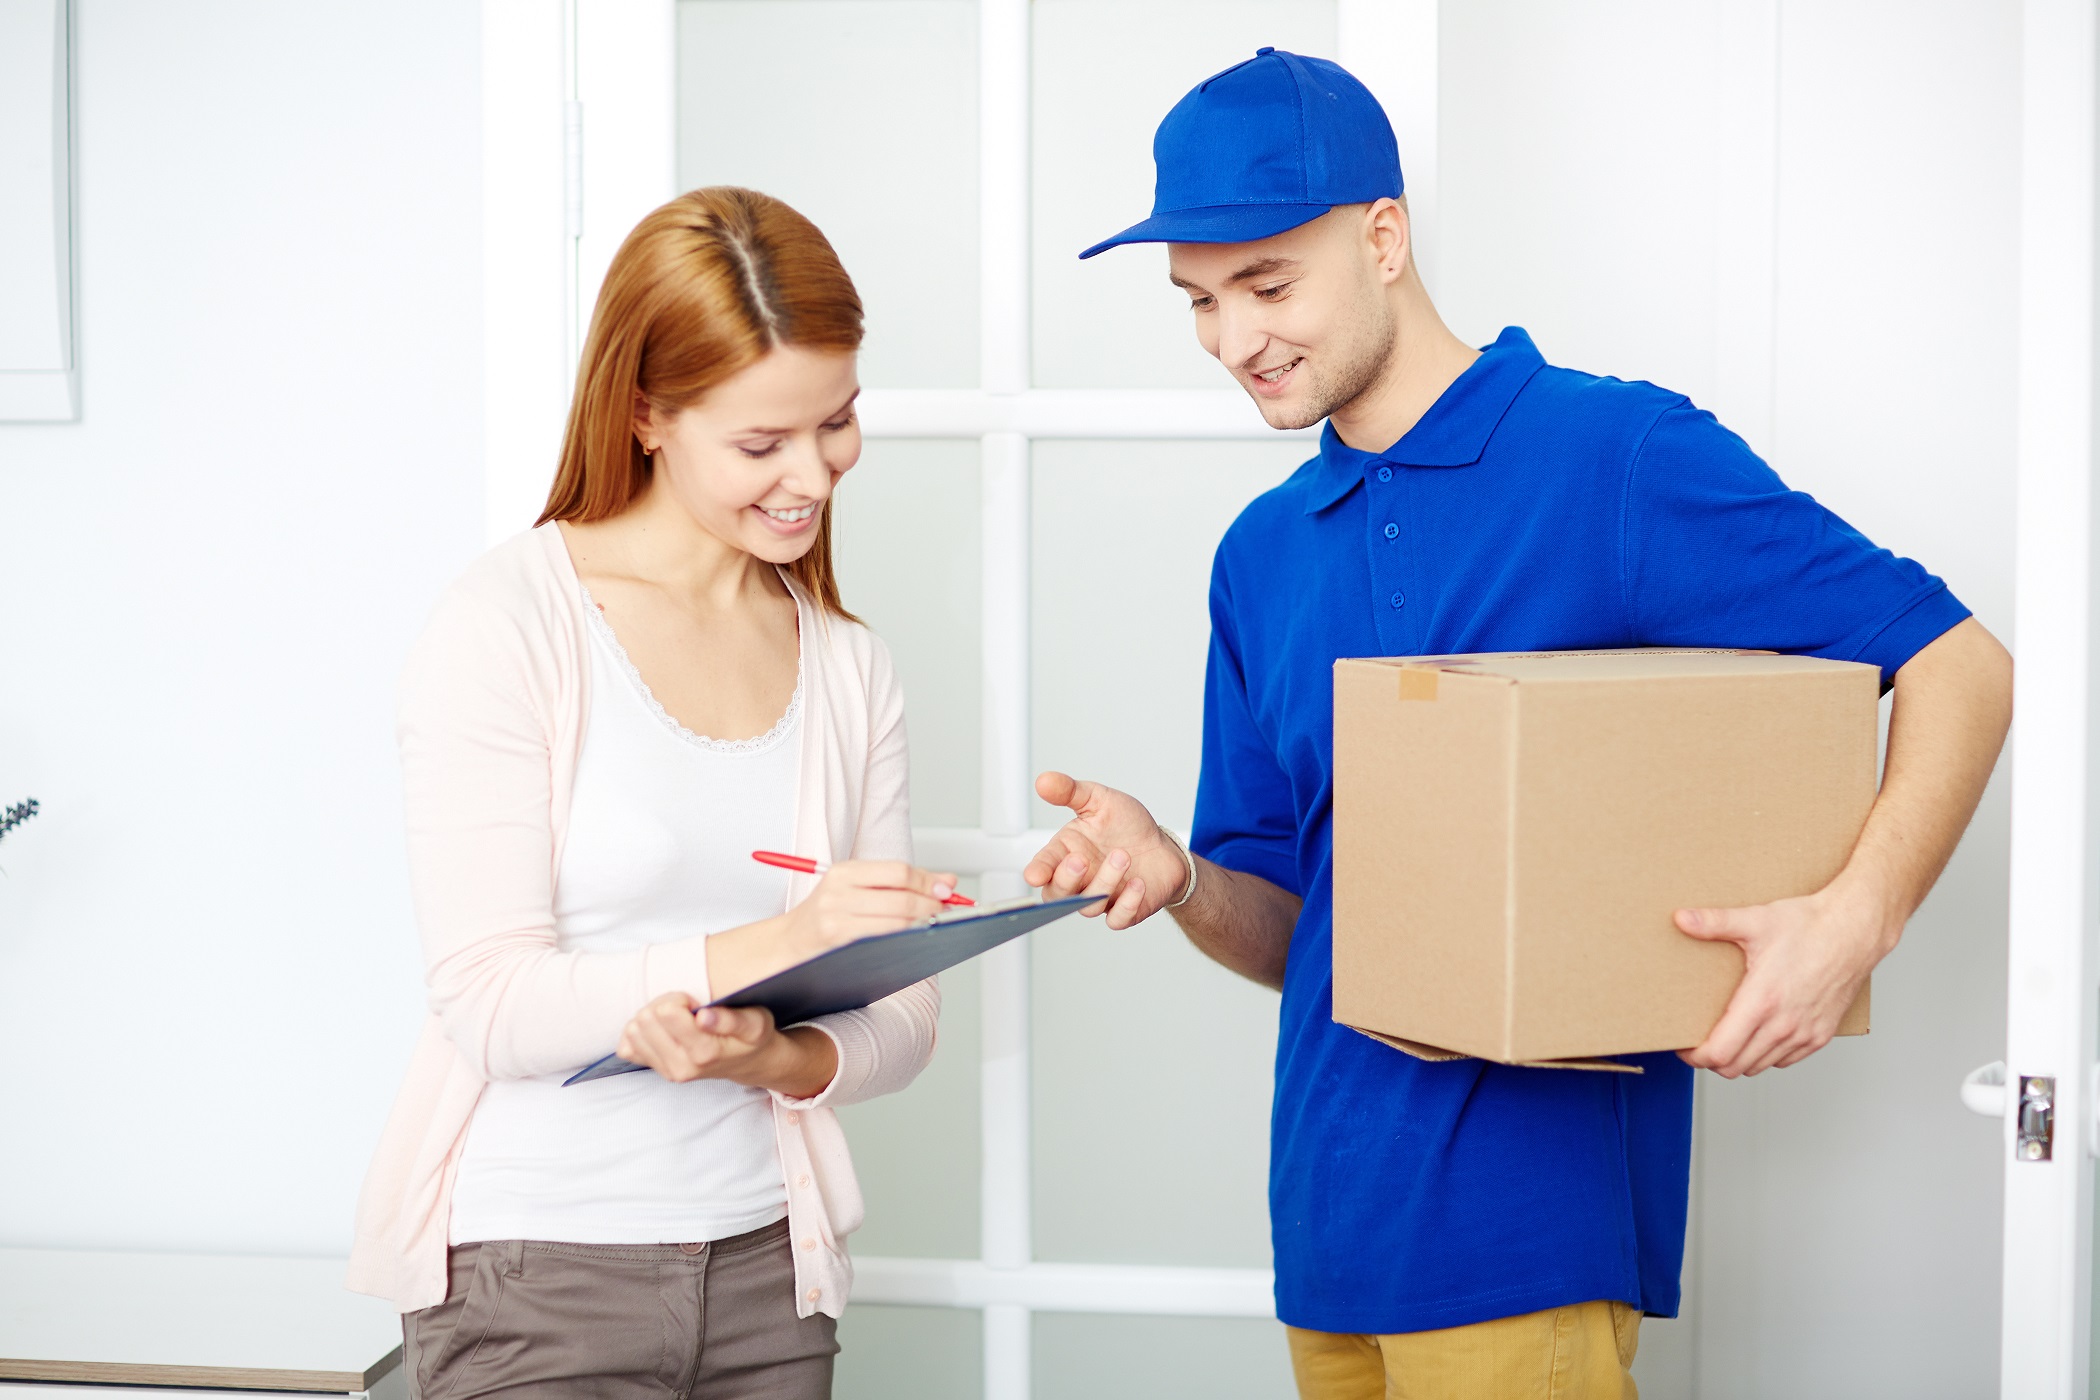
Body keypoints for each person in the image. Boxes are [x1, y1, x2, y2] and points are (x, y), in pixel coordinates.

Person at [1026, 48, 2013, 1399]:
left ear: (1383, 238)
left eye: (1267, 285)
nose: (1234, 340)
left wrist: (1856, 919)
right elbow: (1307, 931)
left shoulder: (1610, 459)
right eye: (1197, 301)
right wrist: (1183, 878)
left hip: (1527, 1243)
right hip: (1324, 1235)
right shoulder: (1261, 554)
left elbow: (1959, 662)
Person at [347, 186, 958, 1400]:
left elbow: (903, 1022)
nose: (814, 475)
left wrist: (766, 1059)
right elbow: (491, 1002)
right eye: (760, 442)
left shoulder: (847, 662)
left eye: (835, 422)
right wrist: (772, 944)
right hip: (532, 1275)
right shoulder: (507, 624)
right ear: (644, 416)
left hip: (772, 1277)